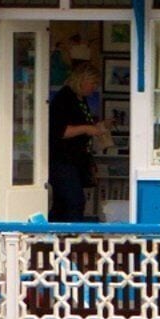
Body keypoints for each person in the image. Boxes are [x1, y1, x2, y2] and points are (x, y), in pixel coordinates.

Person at [48, 52, 106, 223]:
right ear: (81, 80)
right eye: (92, 83)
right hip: (62, 160)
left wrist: (98, 126)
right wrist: (87, 129)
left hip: (76, 159)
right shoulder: (64, 99)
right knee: (74, 201)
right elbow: (60, 131)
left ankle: (58, 234)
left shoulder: (81, 99)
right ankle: (69, 234)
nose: (94, 87)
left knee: (63, 202)